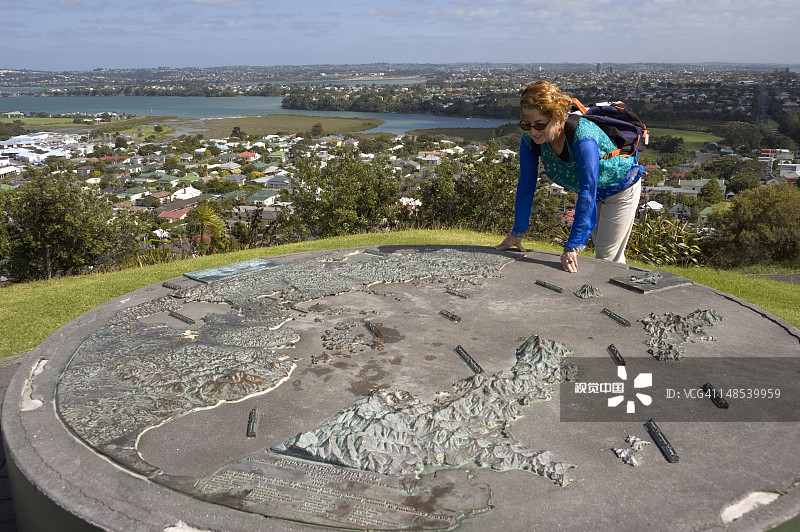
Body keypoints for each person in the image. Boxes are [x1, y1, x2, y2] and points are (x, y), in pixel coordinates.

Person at [496, 81, 644, 272]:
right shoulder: (530, 141)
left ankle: (617, 300)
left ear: (558, 119)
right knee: (609, 255)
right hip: (595, 193)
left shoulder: (583, 137)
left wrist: (572, 246)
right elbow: (526, 185)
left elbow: (587, 190)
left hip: (620, 190)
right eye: (526, 124)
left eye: (540, 124)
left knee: (607, 257)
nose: (533, 131)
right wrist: (517, 232)